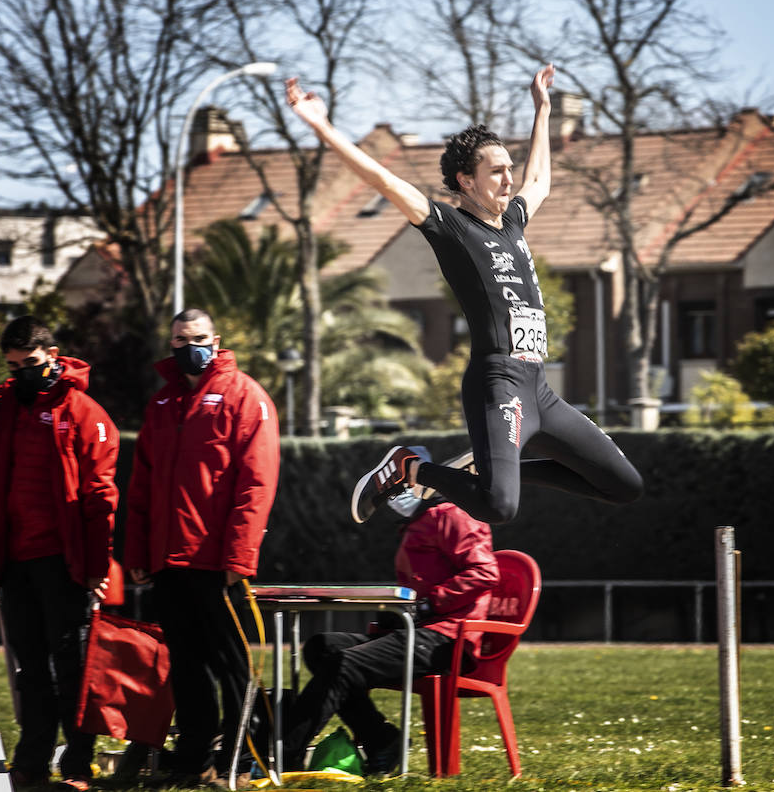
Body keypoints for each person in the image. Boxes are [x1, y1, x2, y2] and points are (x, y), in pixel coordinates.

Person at [286, 65, 644, 525]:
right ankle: (407, 468)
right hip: (499, 382)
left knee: (624, 485)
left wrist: (543, 109)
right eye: (496, 173)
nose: (508, 180)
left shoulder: (513, 221)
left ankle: (497, 470)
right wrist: (322, 127)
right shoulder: (450, 226)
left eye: (508, 169)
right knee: (499, 507)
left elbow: (541, 183)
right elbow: (384, 182)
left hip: (539, 389)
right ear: (466, 181)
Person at [124, 309, 280, 787]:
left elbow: (257, 484)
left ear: (215, 340)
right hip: (169, 562)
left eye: (195, 338)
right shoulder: (162, 404)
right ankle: (195, 758)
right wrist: (137, 555)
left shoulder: (245, 395)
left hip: (217, 564)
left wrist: (239, 557)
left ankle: (244, 757)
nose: (186, 346)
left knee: (233, 666)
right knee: (187, 667)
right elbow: (142, 486)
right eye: (178, 339)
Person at [0, 315, 120, 792]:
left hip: (64, 562)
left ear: (53, 357)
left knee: (73, 669)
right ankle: (31, 763)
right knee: (30, 668)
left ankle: (78, 766)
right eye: (14, 366)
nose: (22, 374)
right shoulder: (10, 408)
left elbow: (101, 498)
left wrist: (97, 567)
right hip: (17, 560)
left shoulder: (84, 412)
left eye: (30, 364)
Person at [281, 489, 498, 774]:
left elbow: (485, 572)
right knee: (321, 648)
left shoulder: (454, 515)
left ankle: (284, 755)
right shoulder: (419, 521)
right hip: (417, 631)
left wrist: (429, 604)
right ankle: (381, 740)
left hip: (445, 639)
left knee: (344, 666)